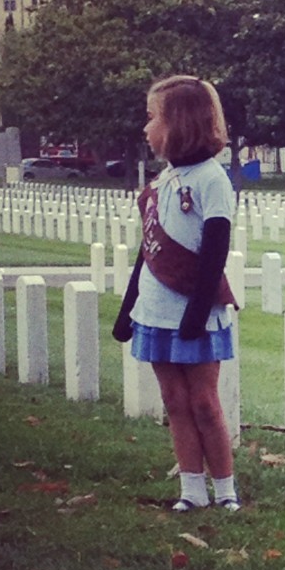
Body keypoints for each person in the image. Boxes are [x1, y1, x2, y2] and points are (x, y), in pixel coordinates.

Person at [113, 76, 240, 511]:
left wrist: (198, 312)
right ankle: (191, 490)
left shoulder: (211, 180)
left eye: (152, 118)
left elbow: (215, 251)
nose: (145, 128)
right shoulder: (162, 182)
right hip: (155, 309)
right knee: (173, 402)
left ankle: (225, 491)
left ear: (179, 124)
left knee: (204, 403)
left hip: (195, 311)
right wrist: (127, 309)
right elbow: (145, 254)